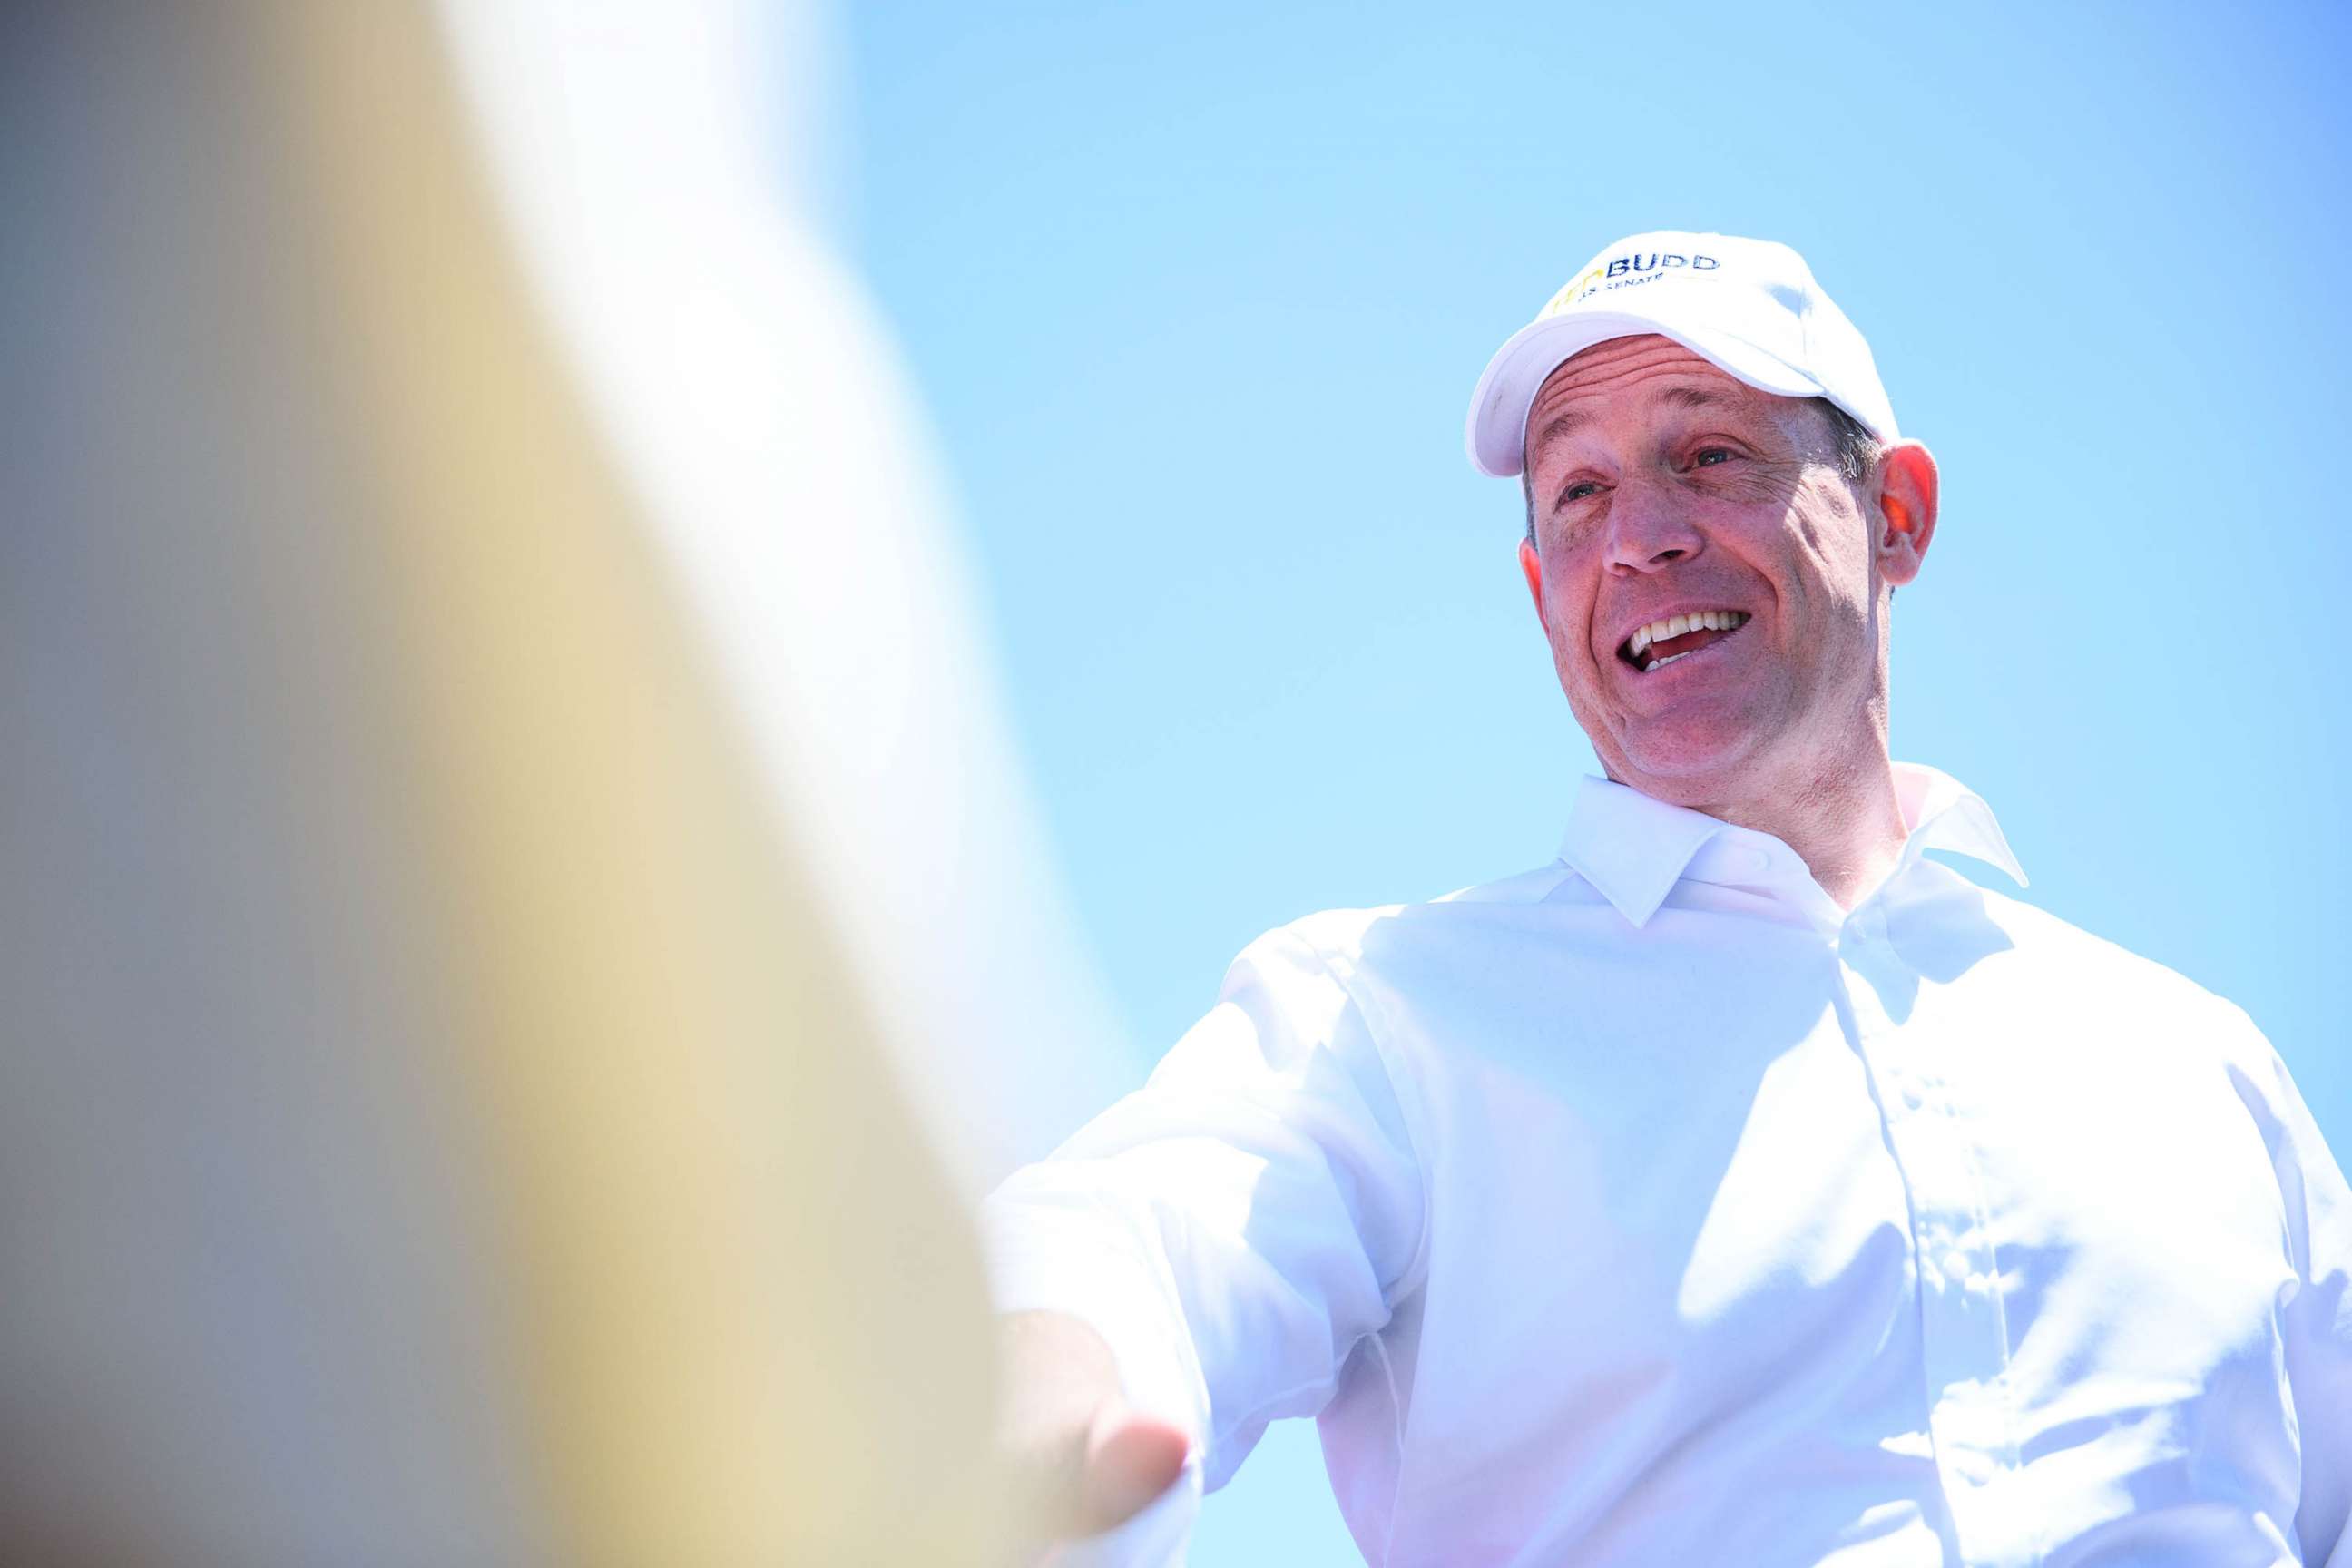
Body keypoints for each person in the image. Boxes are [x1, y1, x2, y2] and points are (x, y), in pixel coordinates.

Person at [985, 230, 2352, 1566]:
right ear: (1541, 592)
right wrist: (1033, 1384)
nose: (1639, 538)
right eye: (1577, 495)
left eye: (1710, 455)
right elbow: (1134, 1239)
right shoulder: (1392, 1018)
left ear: (1898, 516)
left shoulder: (2208, 1071)